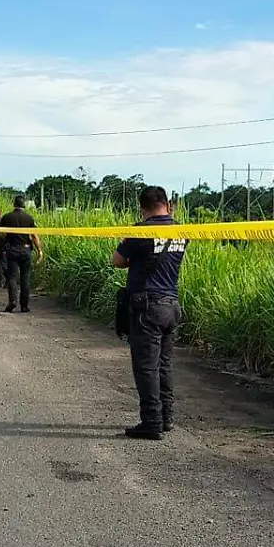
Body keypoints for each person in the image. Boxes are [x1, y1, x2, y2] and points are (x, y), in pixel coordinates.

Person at [112, 185, 188, 440]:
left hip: (148, 306)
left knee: (146, 367)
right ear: (167, 204)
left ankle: (151, 422)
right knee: (164, 364)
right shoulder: (182, 231)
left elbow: (118, 260)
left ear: (142, 208)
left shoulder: (141, 231)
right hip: (171, 304)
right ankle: (166, 418)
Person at [0, 194, 44, 313]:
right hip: (26, 250)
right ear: (24, 205)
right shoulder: (29, 218)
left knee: (12, 277)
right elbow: (34, 235)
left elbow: (0, 233)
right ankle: (24, 306)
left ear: (14, 204)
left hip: (12, 250)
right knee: (25, 278)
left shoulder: (7, 217)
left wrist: (7, 236)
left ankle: (12, 301)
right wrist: (40, 251)